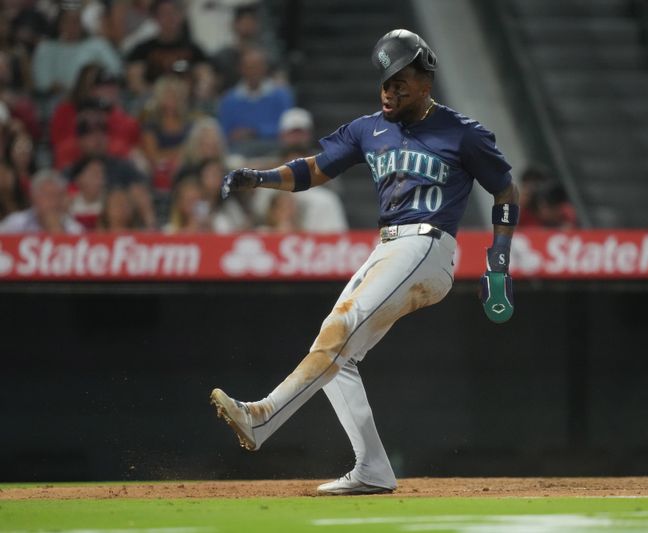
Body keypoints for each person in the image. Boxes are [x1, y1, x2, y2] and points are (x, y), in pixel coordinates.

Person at [210, 29, 519, 495]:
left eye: (400, 81)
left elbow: (505, 190)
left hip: (427, 246)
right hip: (389, 246)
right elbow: (313, 169)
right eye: (385, 81)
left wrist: (498, 259)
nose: (390, 90)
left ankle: (262, 416)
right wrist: (260, 177)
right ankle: (373, 467)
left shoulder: (462, 133)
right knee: (337, 351)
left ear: (425, 84)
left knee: (339, 331)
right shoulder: (368, 129)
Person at [31, 5, 121, 98]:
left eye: (76, 21)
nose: (72, 26)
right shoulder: (46, 48)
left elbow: (115, 70)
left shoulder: (98, 44)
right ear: (59, 23)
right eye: (67, 21)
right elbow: (42, 83)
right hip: (57, 98)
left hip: (94, 96)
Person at [125, 0, 211, 96]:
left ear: (181, 15)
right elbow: (135, 81)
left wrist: (198, 92)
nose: (170, 18)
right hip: (152, 102)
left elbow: (205, 77)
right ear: (155, 18)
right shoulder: (142, 50)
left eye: (174, 12)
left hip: (186, 102)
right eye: (164, 14)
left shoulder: (194, 49)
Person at [218, 46, 294, 152]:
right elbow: (224, 134)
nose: (254, 71)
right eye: (249, 67)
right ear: (241, 69)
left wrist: (255, 131)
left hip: (275, 152)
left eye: (257, 66)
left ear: (265, 68)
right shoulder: (229, 100)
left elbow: (287, 129)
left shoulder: (281, 95)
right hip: (240, 155)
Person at [0, 170, 83, 233]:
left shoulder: (73, 228)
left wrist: (57, 230)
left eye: (57, 196)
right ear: (33, 197)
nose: (52, 201)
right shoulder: (15, 222)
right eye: (47, 195)